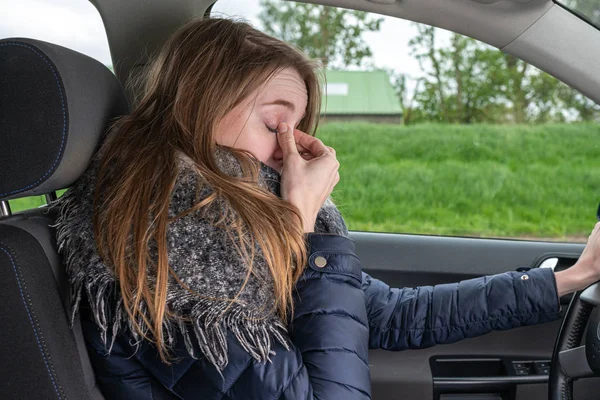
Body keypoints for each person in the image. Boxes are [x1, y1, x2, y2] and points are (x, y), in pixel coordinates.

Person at [52, 17, 600, 400]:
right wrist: (300, 225)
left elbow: (383, 315)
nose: (291, 149)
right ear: (201, 104)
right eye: (274, 124)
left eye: (299, 128)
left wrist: (572, 278)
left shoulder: (229, 225)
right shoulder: (165, 256)